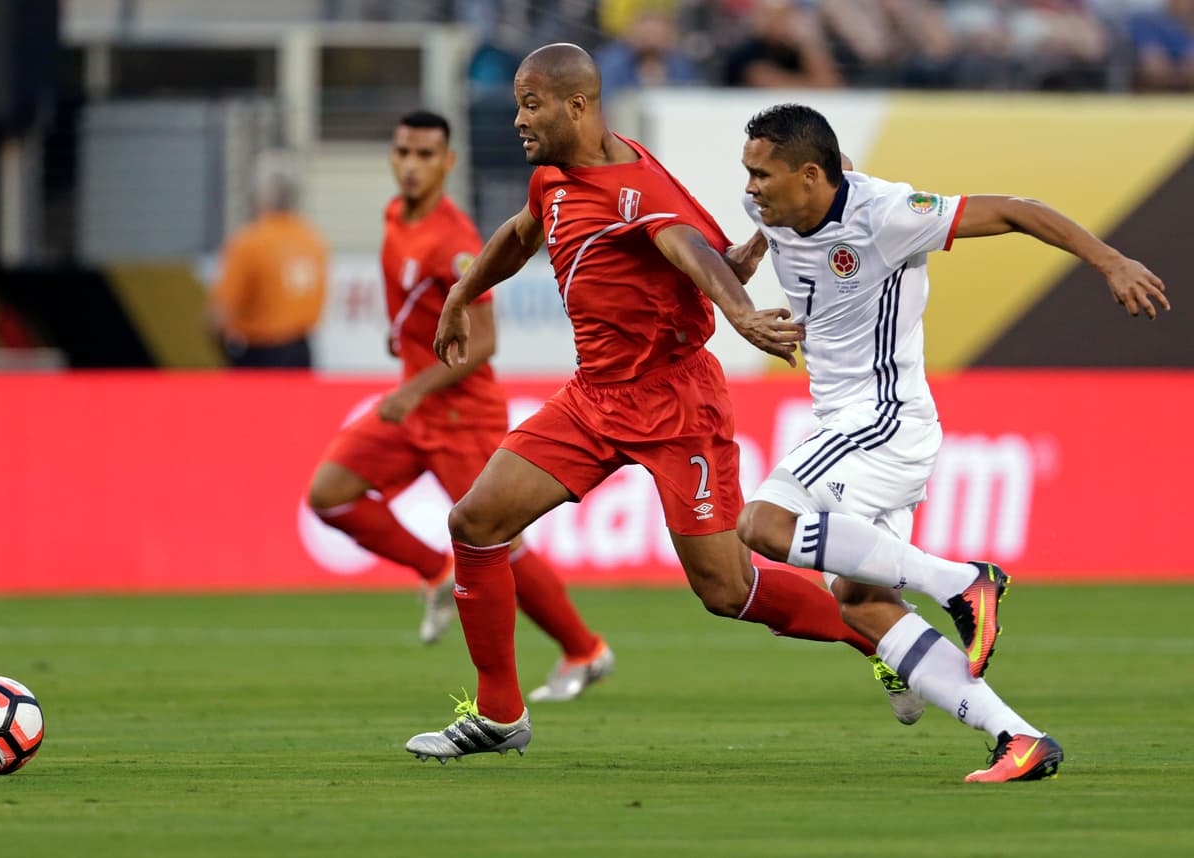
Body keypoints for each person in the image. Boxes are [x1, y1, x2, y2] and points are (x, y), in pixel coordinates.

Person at [405, 44, 921, 764]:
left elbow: (691, 253)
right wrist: (462, 294)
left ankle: (882, 633)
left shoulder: (634, 188)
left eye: (532, 104)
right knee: (475, 521)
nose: (518, 119)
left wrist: (741, 314)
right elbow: (521, 237)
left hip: (676, 403)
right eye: (520, 102)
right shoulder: (554, 177)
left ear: (578, 106)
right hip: (594, 397)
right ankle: (499, 716)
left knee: (727, 588)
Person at [731, 103, 1169, 782]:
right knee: (864, 602)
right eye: (748, 174)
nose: (750, 189)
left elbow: (1020, 209)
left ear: (808, 175)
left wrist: (1111, 262)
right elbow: (829, 176)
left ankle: (963, 581)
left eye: (762, 176)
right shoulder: (790, 198)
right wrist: (754, 250)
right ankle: (1018, 739)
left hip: (880, 419)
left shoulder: (889, 215)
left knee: (761, 524)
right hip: (853, 423)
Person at [307, 110, 613, 702]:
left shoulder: (456, 242)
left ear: (448, 163)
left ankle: (585, 649)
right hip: (414, 408)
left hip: (459, 415)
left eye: (426, 155)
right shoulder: (396, 215)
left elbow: (486, 342)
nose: (412, 165)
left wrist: (412, 390)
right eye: (403, 152)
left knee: (500, 542)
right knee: (330, 494)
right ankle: (434, 570)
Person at [209, 151, 327, 368]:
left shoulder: (249, 241)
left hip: (260, 351)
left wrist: (223, 347)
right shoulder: (313, 240)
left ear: (260, 195)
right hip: (303, 349)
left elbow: (221, 312)